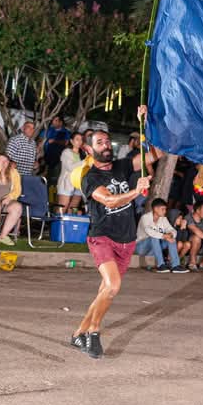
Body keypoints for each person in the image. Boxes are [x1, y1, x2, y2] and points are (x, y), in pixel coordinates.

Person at [71, 114, 156, 359]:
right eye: (100, 143)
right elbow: (108, 199)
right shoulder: (91, 178)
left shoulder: (124, 165)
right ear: (88, 149)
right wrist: (136, 190)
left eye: (107, 142)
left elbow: (155, 155)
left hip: (126, 240)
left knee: (104, 292)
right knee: (113, 286)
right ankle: (93, 333)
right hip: (103, 238)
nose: (106, 145)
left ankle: (79, 333)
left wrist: (146, 124)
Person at [134, 198, 189, 273]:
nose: (165, 211)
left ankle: (175, 265)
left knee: (171, 238)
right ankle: (160, 265)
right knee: (154, 237)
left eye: (165, 209)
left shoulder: (163, 219)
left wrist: (170, 235)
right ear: (155, 209)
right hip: (141, 248)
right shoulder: (145, 217)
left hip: (154, 248)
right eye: (163, 209)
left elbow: (172, 230)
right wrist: (165, 236)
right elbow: (149, 231)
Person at [57, 132, 85, 214]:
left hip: (78, 185)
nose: (80, 141)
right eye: (77, 139)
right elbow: (70, 167)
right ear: (71, 141)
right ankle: (57, 226)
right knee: (62, 208)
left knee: (73, 209)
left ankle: (69, 225)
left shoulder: (83, 154)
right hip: (66, 184)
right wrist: (85, 161)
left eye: (81, 140)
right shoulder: (67, 152)